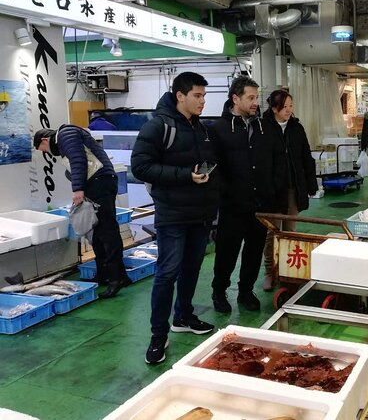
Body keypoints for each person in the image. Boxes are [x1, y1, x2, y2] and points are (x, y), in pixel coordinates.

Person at [131, 72, 219, 364]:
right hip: (171, 213)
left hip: (200, 212)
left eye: (204, 96)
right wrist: (184, 176)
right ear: (180, 96)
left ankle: (183, 316)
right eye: (197, 95)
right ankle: (158, 334)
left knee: (192, 269)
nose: (202, 101)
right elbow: (140, 167)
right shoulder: (158, 126)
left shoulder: (201, 128)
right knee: (167, 273)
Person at [210, 77, 287, 312]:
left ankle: (246, 291)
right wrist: (224, 195)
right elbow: (214, 169)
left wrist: (270, 193)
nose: (255, 103)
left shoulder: (264, 128)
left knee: (253, 252)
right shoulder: (219, 130)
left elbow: (276, 161)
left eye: (256, 97)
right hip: (232, 205)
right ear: (235, 98)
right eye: (250, 98)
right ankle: (219, 292)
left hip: (259, 205)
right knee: (227, 252)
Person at [33, 125, 130, 299]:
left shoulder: (65, 135)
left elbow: (78, 160)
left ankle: (116, 278)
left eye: (45, 150)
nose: (48, 153)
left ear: (45, 140)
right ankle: (105, 274)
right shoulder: (67, 138)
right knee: (97, 233)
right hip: (98, 183)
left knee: (107, 232)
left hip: (100, 183)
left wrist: (77, 189)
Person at [260, 90, 318, 291]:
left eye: (291, 106)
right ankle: (270, 272)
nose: (289, 110)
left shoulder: (296, 128)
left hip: (293, 188)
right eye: (285, 107)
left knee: (291, 230)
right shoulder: (263, 128)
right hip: (273, 190)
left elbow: (306, 157)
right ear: (274, 108)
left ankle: (288, 271)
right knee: (272, 232)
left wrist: (311, 184)